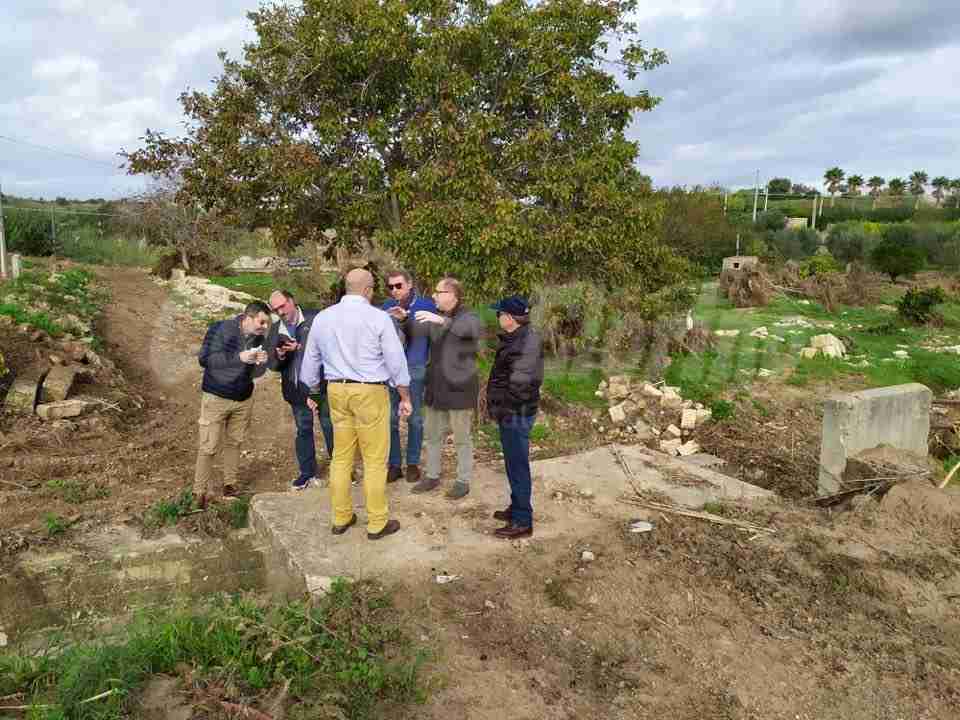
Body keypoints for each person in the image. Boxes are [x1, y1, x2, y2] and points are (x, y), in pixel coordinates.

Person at [300, 268, 412, 540]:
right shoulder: (378, 318)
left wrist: (314, 393)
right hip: (370, 392)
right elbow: (396, 362)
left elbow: (309, 366)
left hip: (336, 391)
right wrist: (405, 396)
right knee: (374, 460)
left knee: (341, 456)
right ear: (367, 290)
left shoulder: (323, 318)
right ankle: (376, 522)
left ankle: (341, 516)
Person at [194, 300, 272, 509]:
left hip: (243, 399)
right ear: (248, 317)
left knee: (234, 443)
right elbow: (205, 359)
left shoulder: (259, 338)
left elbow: (255, 372)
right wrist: (239, 357)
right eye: (262, 322)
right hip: (216, 397)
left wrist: (259, 362)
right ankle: (199, 493)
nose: (265, 328)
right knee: (209, 446)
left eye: (267, 324)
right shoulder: (220, 328)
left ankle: (230, 486)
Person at [412, 276, 483, 499]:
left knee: (462, 438)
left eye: (438, 292)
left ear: (453, 295)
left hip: (460, 390)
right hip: (436, 387)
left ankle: (463, 480)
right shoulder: (437, 318)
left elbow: (469, 330)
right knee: (432, 435)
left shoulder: (468, 316)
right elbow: (417, 333)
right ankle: (432, 476)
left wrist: (442, 321)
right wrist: (403, 320)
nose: (434, 295)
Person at [485, 296, 544, 539]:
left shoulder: (526, 342)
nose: (497, 317)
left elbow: (520, 386)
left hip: (515, 413)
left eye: (499, 313)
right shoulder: (517, 337)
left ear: (509, 318)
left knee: (518, 466)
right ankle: (516, 507)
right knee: (512, 463)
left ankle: (522, 521)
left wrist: (502, 408)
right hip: (511, 412)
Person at [265, 289, 334, 491]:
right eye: (275, 309)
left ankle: (343, 469)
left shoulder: (317, 318)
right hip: (296, 392)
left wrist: (301, 348)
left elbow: (332, 348)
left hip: (322, 388)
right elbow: (272, 366)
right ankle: (307, 473)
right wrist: (279, 355)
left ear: (292, 301)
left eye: (282, 306)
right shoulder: (276, 329)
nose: (280, 312)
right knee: (303, 430)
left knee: (330, 427)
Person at [381, 269, 437, 485]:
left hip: (415, 367)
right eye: (391, 287)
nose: (395, 290)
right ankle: (395, 464)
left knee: (414, 418)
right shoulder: (385, 308)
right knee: (391, 419)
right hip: (390, 370)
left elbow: (434, 338)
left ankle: (412, 463)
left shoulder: (426, 307)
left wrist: (406, 320)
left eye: (399, 285)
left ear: (410, 284)